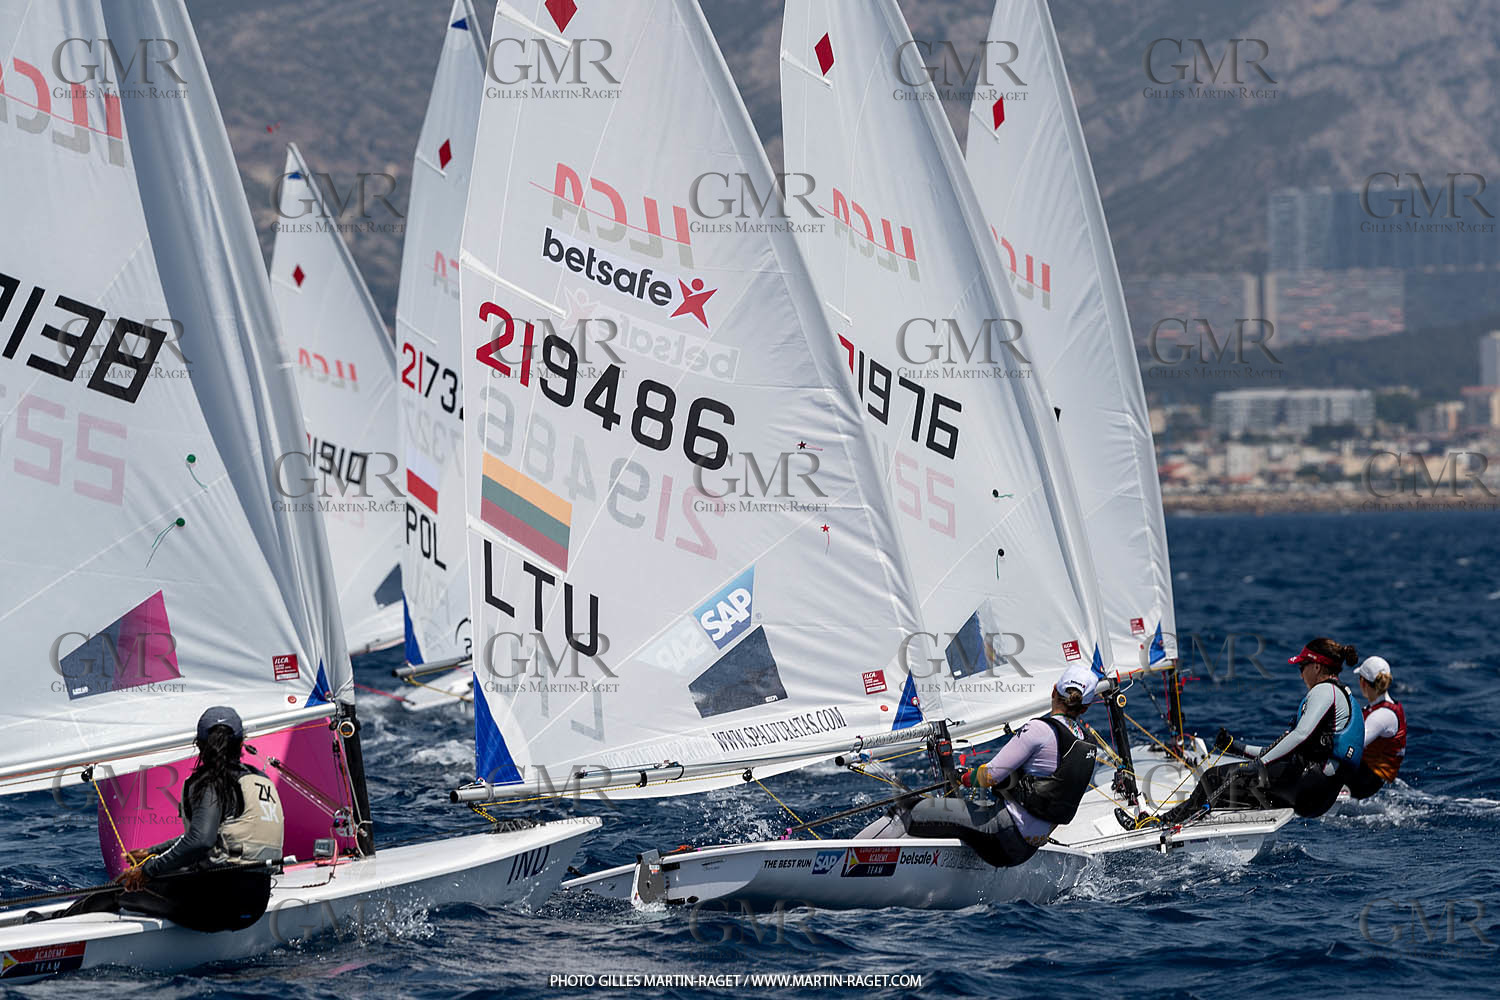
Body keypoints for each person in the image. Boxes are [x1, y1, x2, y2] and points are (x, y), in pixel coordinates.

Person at [62, 706, 285, 932]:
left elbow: (200, 841)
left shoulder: (211, 783)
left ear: (199, 744)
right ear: (241, 743)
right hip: (255, 904)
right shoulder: (259, 779)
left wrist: (147, 870)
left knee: (119, 888)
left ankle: (58, 925)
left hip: (219, 906)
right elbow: (215, 836)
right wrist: (153, 851)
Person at [865, 661, 1100, 868]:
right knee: (949, 816)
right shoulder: (1086, 743)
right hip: (1027, 847)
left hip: (1003, 835)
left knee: (905, 810)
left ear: (1053, 691)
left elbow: (991, 775)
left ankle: (854, 860)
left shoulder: (1039, 729)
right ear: (1086, 707)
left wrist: (964, 777)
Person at [1146, 637, 1364, 825]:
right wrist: (1236, 748)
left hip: (1306, 785)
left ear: (1316, 667)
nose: (1300, 675)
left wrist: (1260, 764)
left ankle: (1162, 824)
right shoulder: (1339, 695)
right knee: (1225, 792)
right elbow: (1281, 749)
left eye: (1302, 667)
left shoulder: (1324, 691)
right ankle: (1179, 824)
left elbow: (1300, 735)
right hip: (1317, 794)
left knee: (1212, 778)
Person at [1346, 656, 1406, 799]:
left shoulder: (1382, 715)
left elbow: (1355, 744)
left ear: (1363, 682)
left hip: (1367, 781)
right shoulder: (1381, 707)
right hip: (1368, 774)